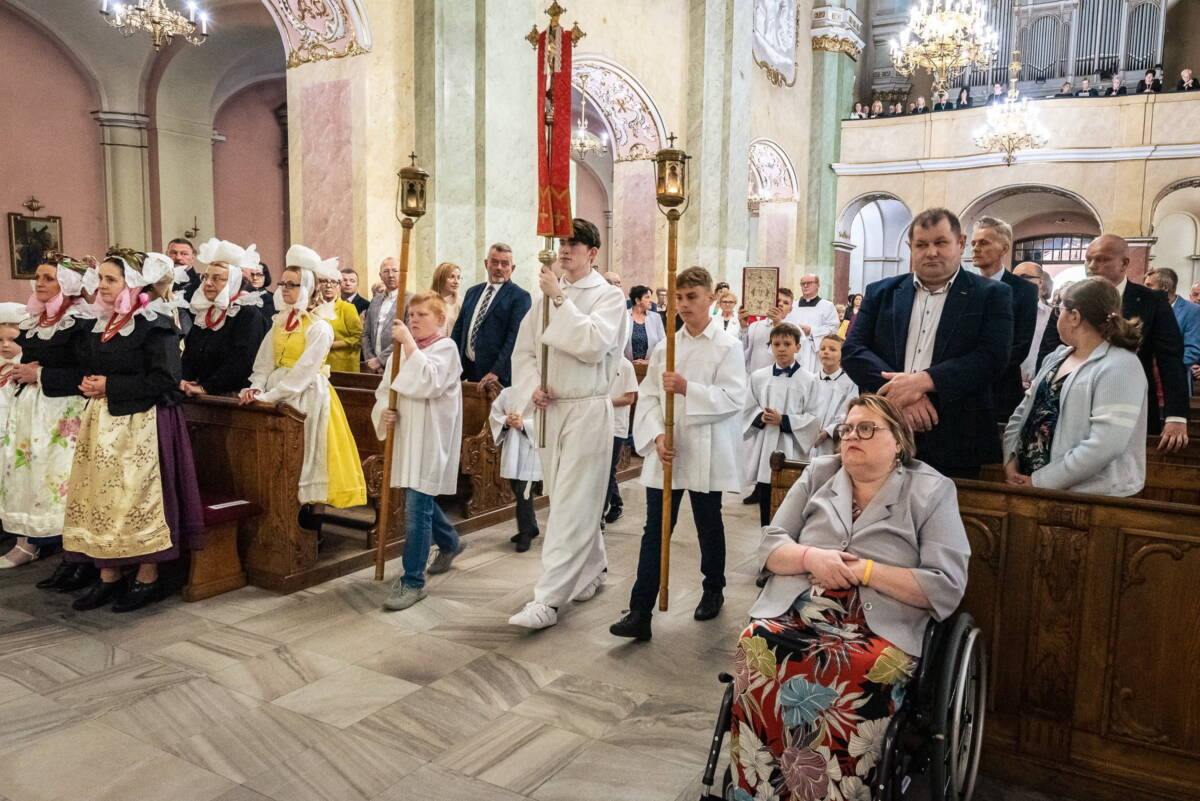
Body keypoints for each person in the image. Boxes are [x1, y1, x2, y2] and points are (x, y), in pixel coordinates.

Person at [735, 394, 970, 801]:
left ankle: (836, 793)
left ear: (899, 441)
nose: (851, 437)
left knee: (859, 666)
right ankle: (760, 789)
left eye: (867, 429)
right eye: (847, 429)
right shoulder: (819, 473)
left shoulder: (931, 490)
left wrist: (866, 571)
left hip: (878, 624)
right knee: (758, 642)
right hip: (802, 605)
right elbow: (770, 547)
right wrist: (811, 556)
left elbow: (946, 584)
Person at [61, 249, 204, 612]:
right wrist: (93, 385)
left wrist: (110, 386)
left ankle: (147, 576)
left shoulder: (155, 323)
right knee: (101, 498)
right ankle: (108, 576)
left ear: (133, 284)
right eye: (102, 279)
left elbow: (166, 378)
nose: (103, 285)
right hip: (104, 422)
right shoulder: (103, 322)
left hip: (142, 423)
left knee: (135, 498)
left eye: (112, 279)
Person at [610, 266, 744, 641]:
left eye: (692, 297)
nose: (684, 305)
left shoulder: (727, 346)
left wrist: (688, 388)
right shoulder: (666, 347)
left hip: (704, 449)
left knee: (707, 522)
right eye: (679, 298)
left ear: (710, 299)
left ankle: (713, 587)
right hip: (667, 451)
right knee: (655, 530)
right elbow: (650, 398)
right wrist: (655, 436)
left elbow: (735, 398)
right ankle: (640, 610)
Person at [508, 218, 628, 630]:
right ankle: (593, 568)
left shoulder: (609, 297)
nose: (565, 248)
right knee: (564, 499)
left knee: (573, 504)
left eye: (575, 243)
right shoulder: (543, 298)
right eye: (562, 241)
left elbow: (594, 345)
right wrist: (532, 388)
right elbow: (523, 351)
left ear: (593, 252)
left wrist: (559, 299)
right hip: (551, 409)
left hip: (588, 409)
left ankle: (548, 599)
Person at [842, 207, 1014, 479]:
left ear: (960, 243)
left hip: (955, 434)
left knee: (945, 518)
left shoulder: (991, 294)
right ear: (911, 247)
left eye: (941, 243)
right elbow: (853, 351)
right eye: (921, 244)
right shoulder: (882, 292)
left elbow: (992, 357)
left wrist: (923, 381)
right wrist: (901, 395)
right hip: (883, 426)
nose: (931, 252)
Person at [240, 245, 367, 510]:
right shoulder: (279, 321)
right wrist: (255, 387)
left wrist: (269, 396)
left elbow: (302, 374)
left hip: (307, 396)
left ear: (308, 287)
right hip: (276, 393)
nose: (285, 289)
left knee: (308, 455)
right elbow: (263, 362)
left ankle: (310, 522)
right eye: (283, 283)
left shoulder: (320, 326)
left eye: (293, 284)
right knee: (280, 458)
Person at [1040, 234, 1190, 451]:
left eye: (1101, 259)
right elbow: (1048, 350)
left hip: (1129, 405)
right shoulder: (1071, 297)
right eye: (1088, 259)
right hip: (1069, 401)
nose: (1092, 266)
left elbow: (1170, 359)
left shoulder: (1151, 300)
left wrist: (1176, 416)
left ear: (1124, 263)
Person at [1004, 278, 1147, 496]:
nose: (1056, 316)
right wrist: (1011, 458)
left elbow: (1105, 445)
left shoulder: (1119, 365)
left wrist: (1041, 481)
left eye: (1059, 310)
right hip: (1030, 484)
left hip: (1089, 496)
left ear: (1074, 316)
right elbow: (1023, 411)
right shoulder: (1057, 357)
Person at [372, 293, 465, 611]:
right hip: (407, 436)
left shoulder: (446, 349)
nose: (413, 319)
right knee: (418, 501)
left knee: (416, 509)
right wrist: (385, 410)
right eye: (411, 314)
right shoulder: (401, 351)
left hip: (429, 439)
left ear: (440, 319)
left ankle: (413, 581)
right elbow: (386, 388)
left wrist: (409, 344)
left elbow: (429, 383)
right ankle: (450, 542)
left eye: (422, 314)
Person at [0, 257, 92, 578]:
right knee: (28, 475)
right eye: (37, 277)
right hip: (31, 409)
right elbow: (34, 355)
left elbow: (84, 371)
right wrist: (21, 364)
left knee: (59, 480)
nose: (39, 283)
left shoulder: (79, 320)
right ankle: (27, 541)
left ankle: (72, 553)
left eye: (48, 278)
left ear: (66, 283)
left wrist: (38, 373)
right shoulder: (35, 318)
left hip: (61, 411)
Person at [741, 323, 821, 528]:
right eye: (776, 344)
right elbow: (747, 408)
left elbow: (815, 416)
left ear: (798, 347)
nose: (782, 348)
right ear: (770, 347)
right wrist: (761, 417)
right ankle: (767, 548)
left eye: (787, 343)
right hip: (766, 447)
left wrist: (784, 420)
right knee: (767, 504)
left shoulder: (810, 380)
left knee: (791, 503)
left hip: (792, 448)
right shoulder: (758, 377)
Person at [180, 239, 269, 397]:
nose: (207, 283)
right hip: (201, 393)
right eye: (205, 277)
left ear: (233, 282)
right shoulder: (205, 312)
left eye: (216, 278)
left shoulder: (247, 314)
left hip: (232, 396)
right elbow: (190, 353)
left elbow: (243, 362)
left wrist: (206, 387)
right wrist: (185, 379)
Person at [971, 216, 1038, 424]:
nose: (975, 248)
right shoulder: (963, 287)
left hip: (1001, 393)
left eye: (983, 242)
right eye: (973, 243)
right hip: (962, 392)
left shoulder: (1024, 290)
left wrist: (972, 372)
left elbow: (1021, 345)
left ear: (1004, 247)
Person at [451, 243, 532, 390]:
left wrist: (496, 371)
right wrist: (451, 363)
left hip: (496, 377)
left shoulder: (520, 297)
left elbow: (514, 338)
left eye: (505, 264)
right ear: (486, 264)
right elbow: (459, 329)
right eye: (494, 262)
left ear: (512, 268)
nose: (499, 267)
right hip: (466, 370)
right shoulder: (472, 292)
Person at [489, 386, 542, 552]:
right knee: (516, 488)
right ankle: (531, 527)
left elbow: (547, 420)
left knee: (523, 491)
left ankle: (525, 532)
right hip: (512, 446)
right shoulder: (507, 392)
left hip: (530, 450)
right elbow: (495, 414)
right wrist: (506, 421)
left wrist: (524, 424)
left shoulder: (539, 392)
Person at [1145, 267, 1200, 388]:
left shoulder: (1192, 311)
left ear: (1164, 288)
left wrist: (1163, 369)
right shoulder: (1146, 309)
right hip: (1146, 378)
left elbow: (1192, 350)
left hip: (1174, 381)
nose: (1145, 290)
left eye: (1149, 285)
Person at [811, 333, 859, 458]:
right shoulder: (811, 380)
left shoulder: (851, 382)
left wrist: (828, 431)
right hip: (808, 438)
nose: (826, 352)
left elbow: (849, 412)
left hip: (832, 441)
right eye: (823, 349)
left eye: (832, 349)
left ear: (842, 355)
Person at [604, 356, 638, 525]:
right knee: (602, 469)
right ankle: (616, 502)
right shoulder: (599, 362)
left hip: (617, 426)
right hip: (598, 425)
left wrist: (605, 403)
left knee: (608, 469)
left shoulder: (626, 366)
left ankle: (606, 510)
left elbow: (629, 398)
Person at [361, 257, 410, 374]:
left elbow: (409, 336)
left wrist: (381, 360)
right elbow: (366, 333)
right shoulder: (375, 300)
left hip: (398, 365)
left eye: (394, 270)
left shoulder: (411, 300)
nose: (391, 275)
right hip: (373, 367)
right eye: (386, 271)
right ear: (380, 275)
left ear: (402, 274)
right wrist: (370, 359)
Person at [785, 274, 840, 374]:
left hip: (815, 351)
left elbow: (833, 328)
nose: (805, 286)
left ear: (818, 285)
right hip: (795, 350)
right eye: (803, 283)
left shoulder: (827, 306)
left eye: (809, 283)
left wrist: (812, 330)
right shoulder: (793, 306)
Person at [1013, 261, 1054, 385]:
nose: (1017, 282)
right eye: (1014, 278)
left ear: (1040, 282)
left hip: (1040, 386)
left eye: (1025, 277)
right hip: (1008, 385)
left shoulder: (1051, 316)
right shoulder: (1002, 313)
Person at [318, 271, 364, 374]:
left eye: (333, 282)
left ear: (339, 286)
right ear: (318, 285)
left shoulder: (347, 308)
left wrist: (331, 344)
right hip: (318, 365)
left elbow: (358, 338)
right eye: (324, 281)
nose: (328, 286)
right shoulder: (314, 308)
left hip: (342, 367)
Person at [741, 288, 795, 375]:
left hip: (780, 379)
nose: (780, 304)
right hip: (755, 378)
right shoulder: (755, 326)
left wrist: (778, 324)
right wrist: (743, 328)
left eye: (786, 303)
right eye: (778, 300)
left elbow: (795, 358)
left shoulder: (795, 330)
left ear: (790, 309)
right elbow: (744, 353)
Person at [167, 237, 201, 335]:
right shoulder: (157, 283)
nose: (178, 257)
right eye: (173, 253)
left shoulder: (202, 283)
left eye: (184, 254)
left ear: (192, 257)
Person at [625, 285, 666, 365]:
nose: (650, 301)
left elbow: (663, 344)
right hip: (626, 368)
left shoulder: (656, 318)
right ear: (637, 300)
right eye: (647, 297)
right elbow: (618, 345)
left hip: (650, 367)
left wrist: (649, 362)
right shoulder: (624, 316)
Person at [431, 261, 462, 335]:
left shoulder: (462, 303)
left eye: (458, 277)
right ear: (440, 278)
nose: (456, 281)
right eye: (451, 277)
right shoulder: (428, 302)